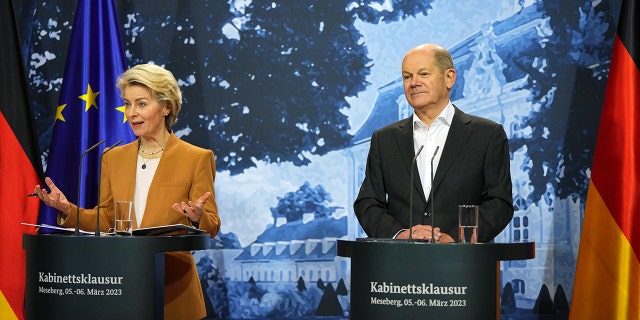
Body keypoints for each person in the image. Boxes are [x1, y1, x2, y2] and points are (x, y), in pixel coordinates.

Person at [34, 63, 221, 319]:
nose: (132, 113)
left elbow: (211, 227)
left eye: (141, 104)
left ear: (166, 107)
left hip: (174, 291)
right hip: (123, 288)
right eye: (127, 104)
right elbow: (107, 218)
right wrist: (68, 210)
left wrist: (197, 216)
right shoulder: (113, 157)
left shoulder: (196, 158)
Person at [354, 43, 513, 243]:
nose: (413, 83)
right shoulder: (384, 139)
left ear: (449, 78)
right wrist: (399, 234)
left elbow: (498, 203)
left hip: (464, 264)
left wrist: (454, 238)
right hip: (399, 264)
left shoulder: (487, 135)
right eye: (407, 76)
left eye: (423, 74)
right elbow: (367, 202)